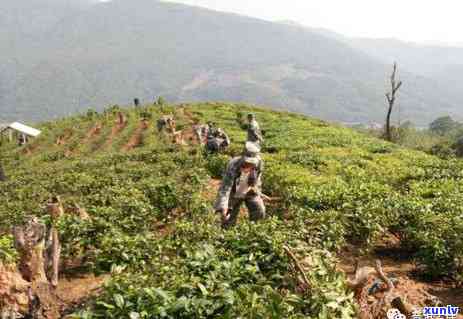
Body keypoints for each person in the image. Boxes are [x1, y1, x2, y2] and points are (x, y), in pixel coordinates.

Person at [214, 141, 265, 228]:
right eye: (246, 162)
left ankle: (254, 231)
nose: (248, 165)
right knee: (228, 217)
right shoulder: (233, 164)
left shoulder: (259, 163)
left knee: (259, 210)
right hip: (234, 192)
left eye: (251, 163)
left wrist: (256, 190)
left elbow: (258, 179)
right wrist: (224, 205)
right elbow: (225, 188)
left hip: (250, 190)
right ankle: (227, 234)